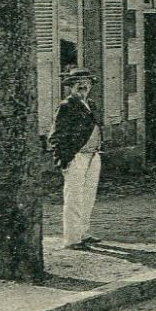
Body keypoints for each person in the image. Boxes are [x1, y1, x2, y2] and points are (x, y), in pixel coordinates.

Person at [50, 69, 104, 248]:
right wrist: (65, 159)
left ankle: (83, 232)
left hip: (93, 155)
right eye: (78, 82)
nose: (83, 85)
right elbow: (55, 137)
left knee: (88, 196)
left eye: (87, 82)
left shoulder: (92, 104)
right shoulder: (66, 106)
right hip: (76, 156)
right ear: (71, 86)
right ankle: (72, 239)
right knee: (74, 197)